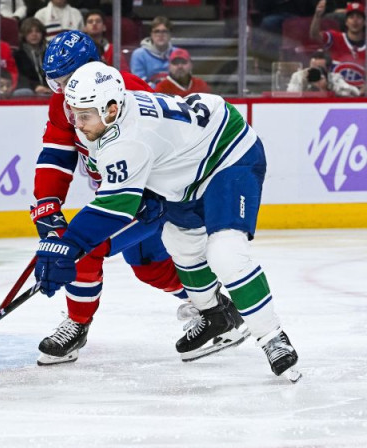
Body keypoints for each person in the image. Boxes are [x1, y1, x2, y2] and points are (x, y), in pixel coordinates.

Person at [35, 61, 300, 381]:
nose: (77, 123)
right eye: (73, 112)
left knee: (225, 253)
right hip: (184, 173)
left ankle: (273, 337)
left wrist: (68, 246)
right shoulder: (109, 116)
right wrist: (70, 246)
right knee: (180, 245)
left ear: (111, 109)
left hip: (228, 157)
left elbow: (115, 206)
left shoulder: (128, 139)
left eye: (85, 115)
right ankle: (216, 316)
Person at [31, 30, 247, 366]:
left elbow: (159, 147)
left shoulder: (128, 90)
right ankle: (218, 311)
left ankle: (77, 324)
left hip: (153, 195)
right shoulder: (65, 102)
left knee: (84, 248)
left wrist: (145, 196)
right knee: (150, 267)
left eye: (68, 79)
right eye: (56, 82)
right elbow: (56, 154)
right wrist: (48, 205)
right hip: (122, 191)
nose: (63, 91)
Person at [311, 0, 366, 90]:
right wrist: (317, 16)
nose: (355, 20)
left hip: (360, 99)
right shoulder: (335, 38)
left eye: (359, 17)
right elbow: (314, 35)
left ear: (364, 22)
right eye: (351, 17)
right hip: (336, 95)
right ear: (346, 22)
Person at [130, 16, 181, 88]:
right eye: (157, 31)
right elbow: (139, 83)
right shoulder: (138, 54)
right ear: (151, 34)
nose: (160, 35)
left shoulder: (178, 53)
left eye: (164, 31)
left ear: (170, 34)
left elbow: (182, 81)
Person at [287, 50, 360, 96]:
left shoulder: (333, 78)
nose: (315, 72)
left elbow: (354, 93)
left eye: (319, 68)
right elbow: (291, 95)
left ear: (328, 69)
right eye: (313, 68)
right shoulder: (300, 76)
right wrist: (304, 83)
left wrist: (327, 87)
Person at [13, 17, 50, 96]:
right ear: (24, 34)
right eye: (30, 32)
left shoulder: (50, 53)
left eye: (37, 31)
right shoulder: (18, 55)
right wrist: (36, 86)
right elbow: (19, 77)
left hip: (50, 89)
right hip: (29, 91)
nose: (34, 34)